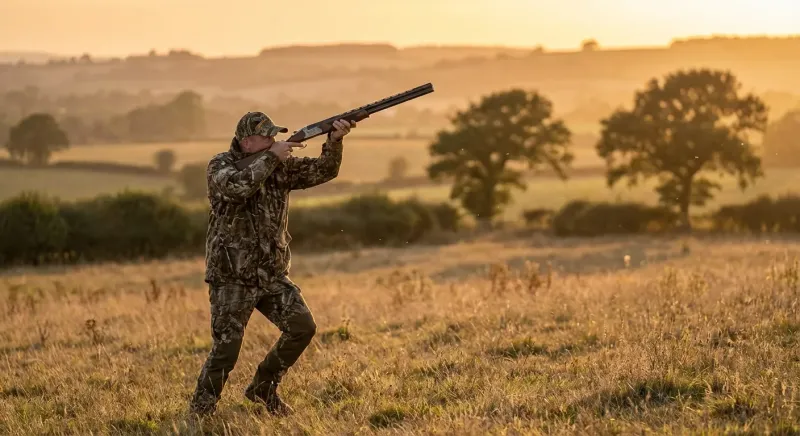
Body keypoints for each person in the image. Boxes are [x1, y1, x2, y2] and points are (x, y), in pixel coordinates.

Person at [189, 111, 356, 417]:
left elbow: (323, 171)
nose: (273, 141)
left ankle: (263, 387)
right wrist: (272, 157)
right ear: (247, 142)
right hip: (232, 274)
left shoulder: (279, 166)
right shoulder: (220, 165)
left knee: (302, 328)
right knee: (227, 348)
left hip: (271, 273)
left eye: (274, 136)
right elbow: (238, 187)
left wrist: (334, 141)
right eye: (266, 137)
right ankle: (200, 412)